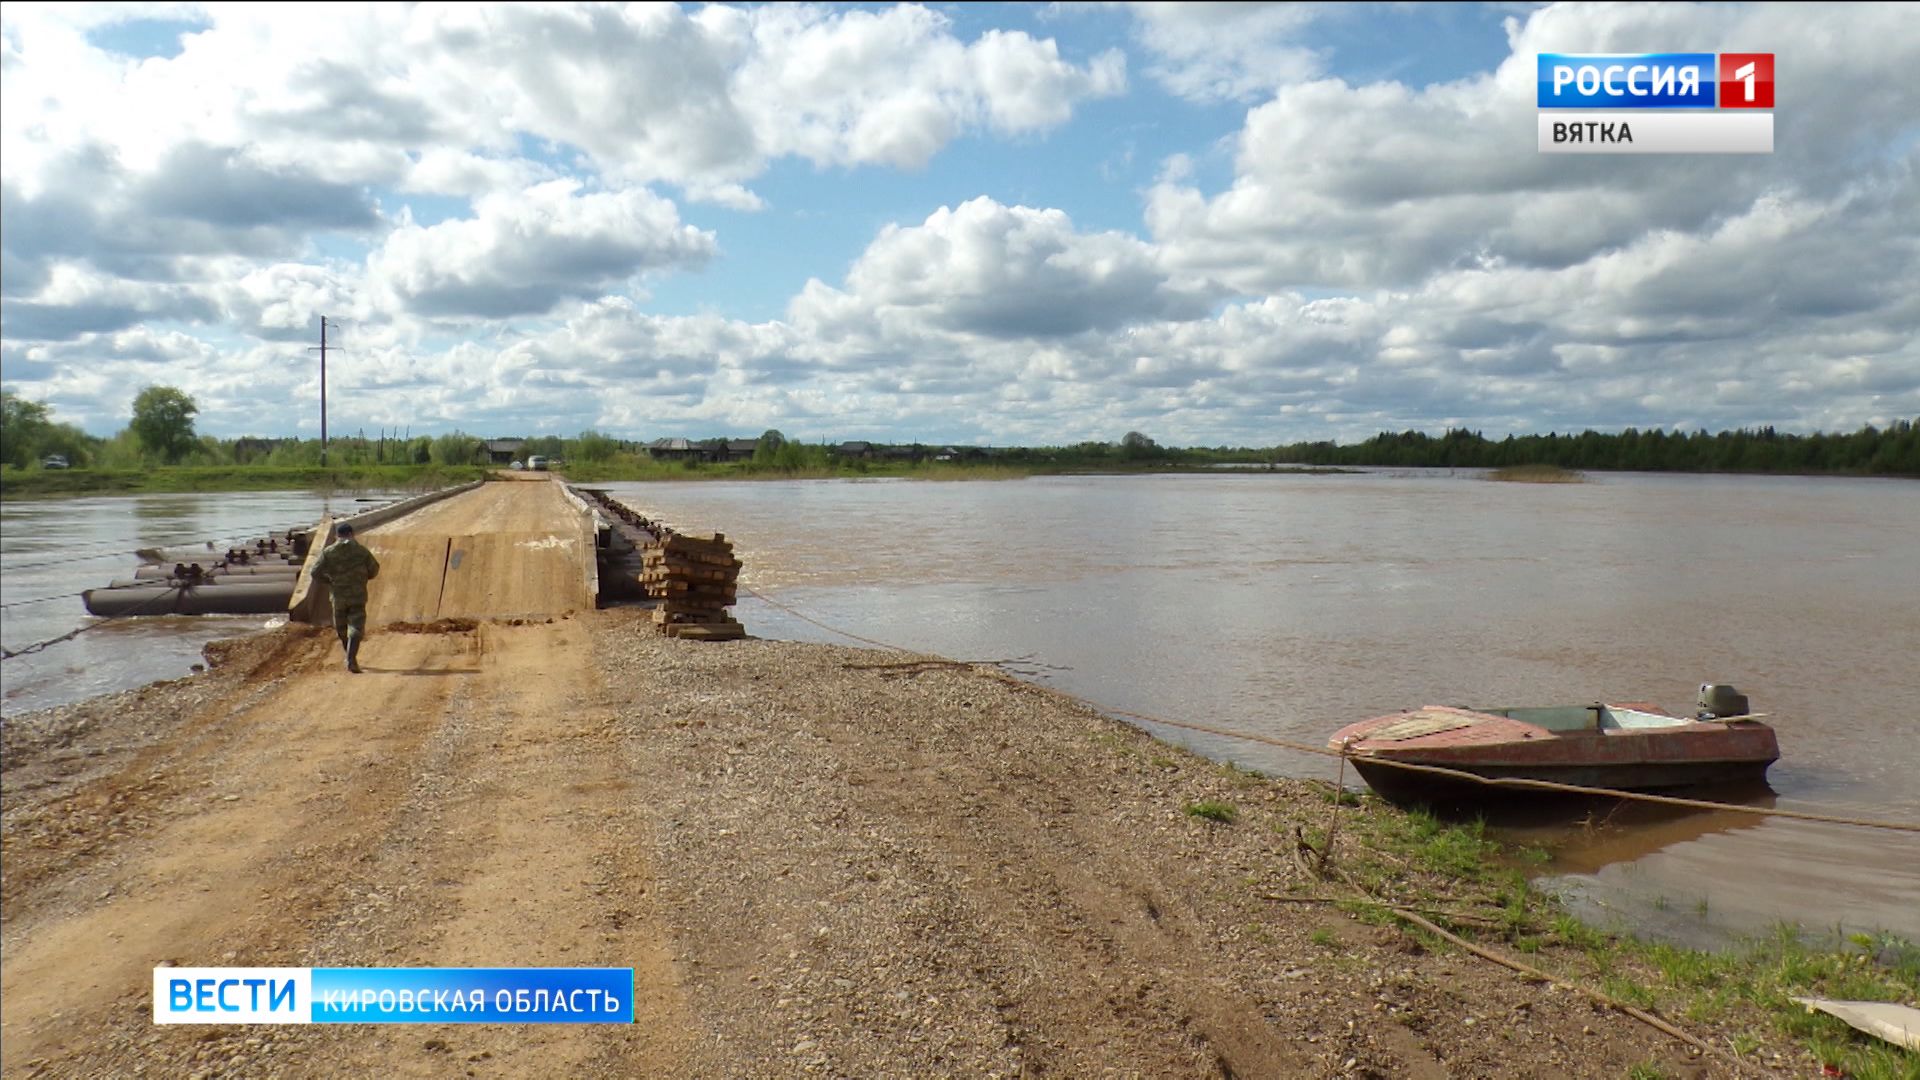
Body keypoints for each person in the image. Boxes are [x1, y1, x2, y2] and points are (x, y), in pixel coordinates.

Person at [312, 522, 380, 673]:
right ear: (351, 533)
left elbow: (315, 572)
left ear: (337, 535)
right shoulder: (361, 551)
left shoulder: (328, 552)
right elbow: (374, 570)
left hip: (338, 596)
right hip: (357, 595)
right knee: (356, 626)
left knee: (341, 628)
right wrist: (362, 578)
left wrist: (329, 581)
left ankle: (349, 656)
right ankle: (351, 658)